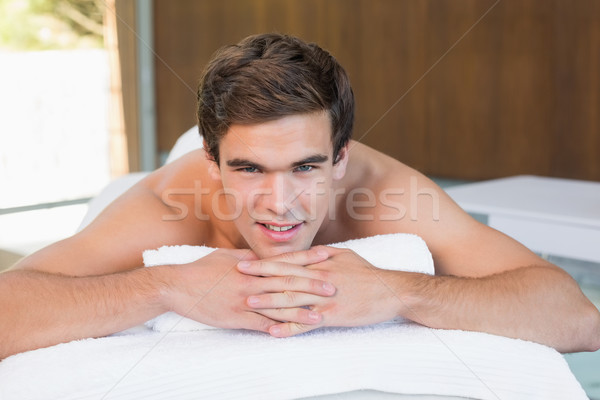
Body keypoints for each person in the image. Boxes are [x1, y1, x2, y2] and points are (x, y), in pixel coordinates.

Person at [1, 33, 598, 359]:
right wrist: (163, 285)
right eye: (250, 168)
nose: (279, 202)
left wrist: (403, 292)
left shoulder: (389, 195)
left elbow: (577, 319)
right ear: (213, 162)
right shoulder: (168, 204)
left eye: (306, 166)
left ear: (340, 158)